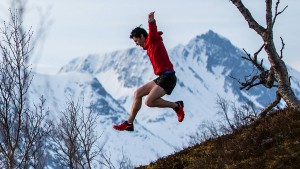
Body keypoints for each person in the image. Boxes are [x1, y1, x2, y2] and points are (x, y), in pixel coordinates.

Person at [113, 11, 185, 131]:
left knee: (149, 102)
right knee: (137, 94)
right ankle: (129, 123)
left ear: (142, 36)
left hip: (168, 78)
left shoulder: (153, 39)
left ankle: (176, 106)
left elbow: (152, 30)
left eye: (136, 41)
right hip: (162, 77)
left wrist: (151, 20)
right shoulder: (149, 46)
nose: (136, 44)